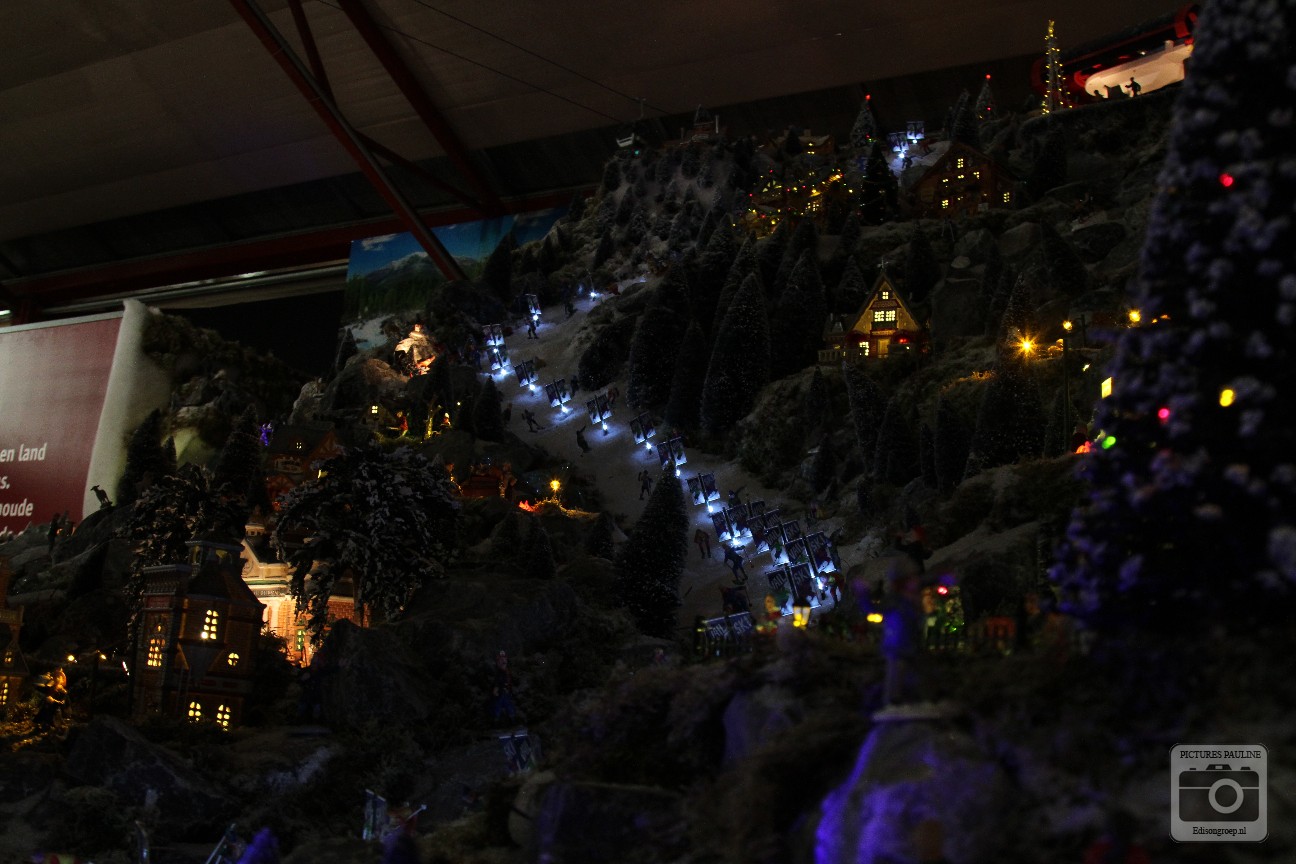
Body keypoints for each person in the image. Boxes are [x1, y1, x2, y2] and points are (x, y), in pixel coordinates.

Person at [490, 650, 519, 725]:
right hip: (501, 692)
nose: (503, 661)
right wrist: (496, 688)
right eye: (501, 660)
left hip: (506, 692)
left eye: (504, 659)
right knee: (498, 705)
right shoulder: (499, 672)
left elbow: (509, 681)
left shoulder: (506, 671)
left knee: (508, 705)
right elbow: (497, 681)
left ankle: (512, 720)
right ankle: (496, 721)